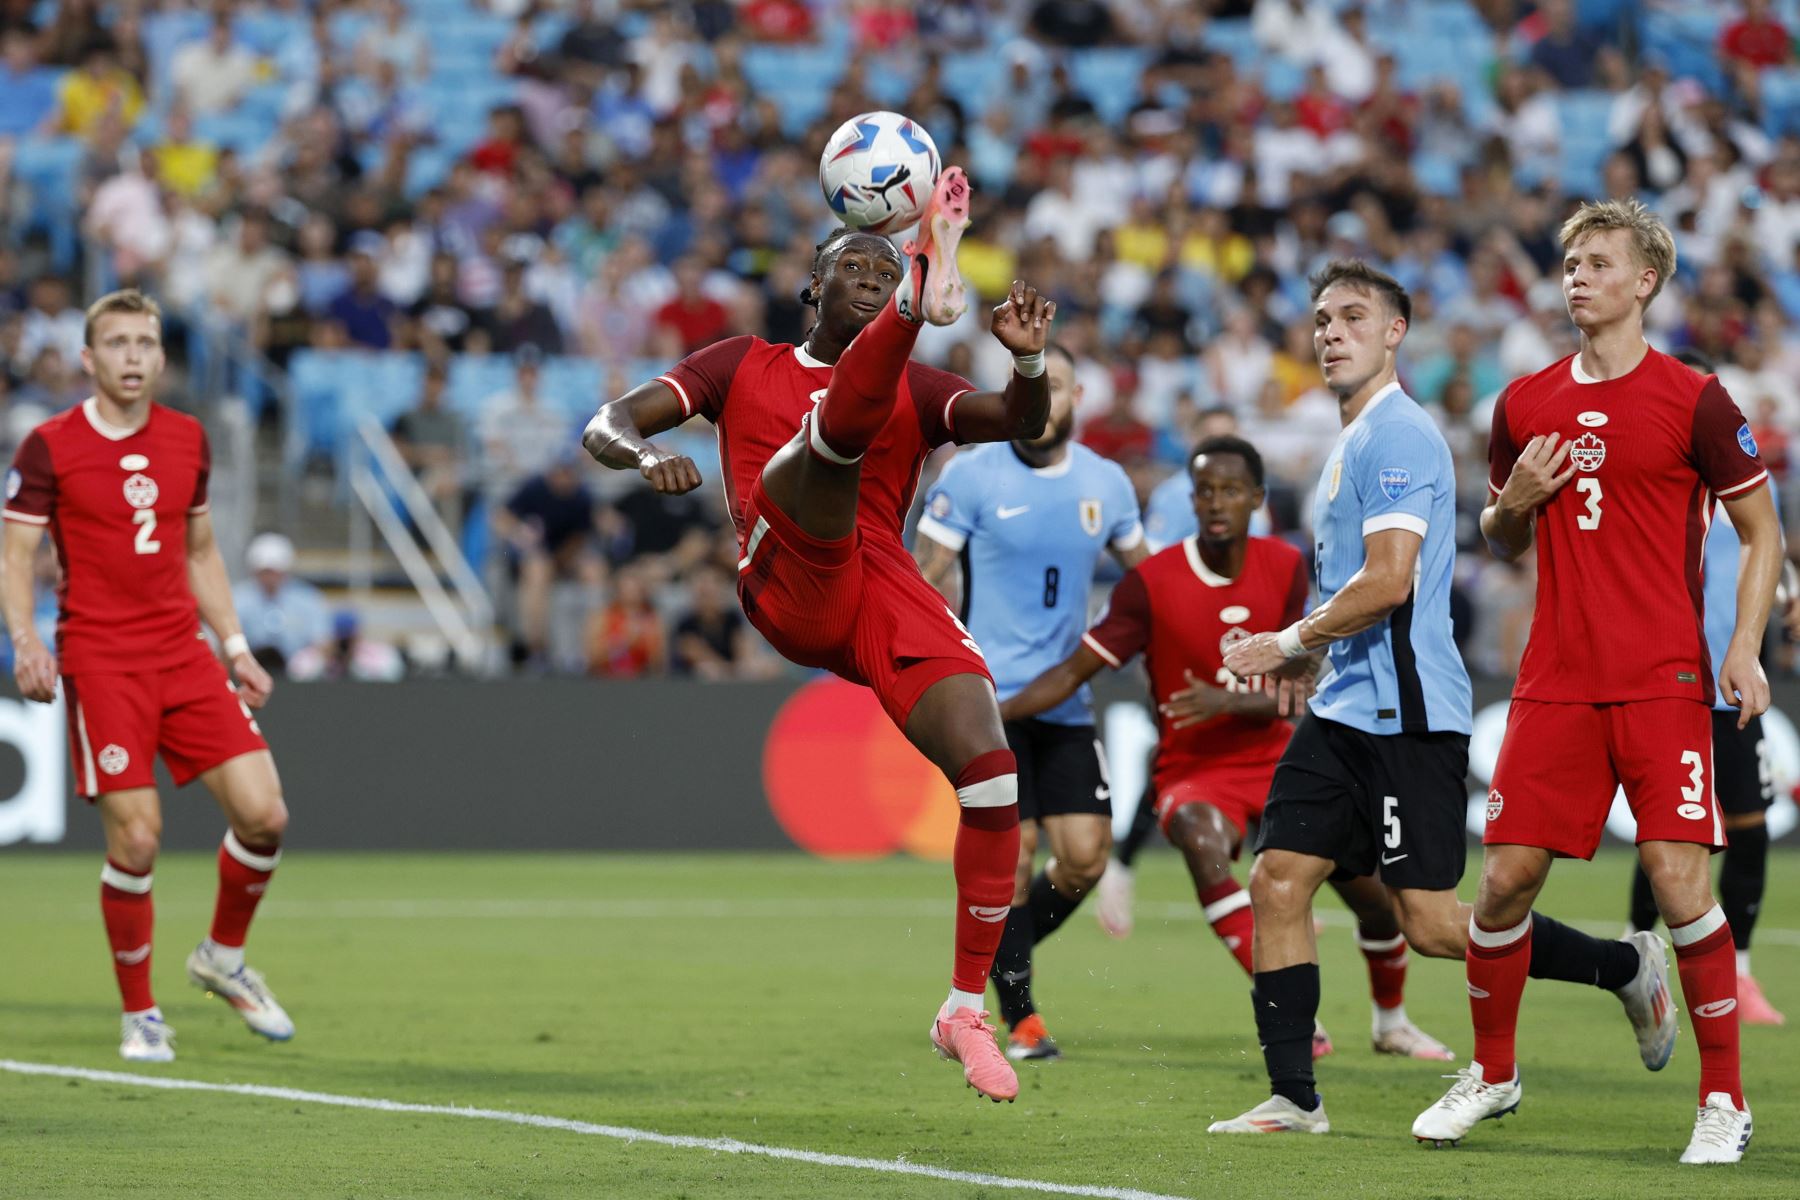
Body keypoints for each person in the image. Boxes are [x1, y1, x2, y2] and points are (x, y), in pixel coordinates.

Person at [584, 167, 1053, 1102]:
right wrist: (648, 455)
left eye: (891, 269)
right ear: (815, 284)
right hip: (787, 564)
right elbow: (605, 422)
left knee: (994, 776)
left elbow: (1021, 426)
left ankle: (963, 1007)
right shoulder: (738, 364)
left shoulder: (919, 389)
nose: (872, 275)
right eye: (860, 266)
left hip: (883, 584)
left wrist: (1030, 363)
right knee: (823, 443)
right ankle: (934, 287)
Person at [1205, 261, 1656, 1136]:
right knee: (1277, 880)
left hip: (1409, 714)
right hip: (1343, 709)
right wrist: (1307, 663)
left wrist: (1288, 641)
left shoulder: (1400, 435)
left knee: (1436, 926)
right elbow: (1355, 587)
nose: (1331, 331)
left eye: (1353, 317)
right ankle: (1295, 1098)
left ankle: (1622, 967)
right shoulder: (1350, 442)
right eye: (1323, 318)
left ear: (1395, 332)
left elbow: (1391, 582)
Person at [1414, 200, 1778, 1163]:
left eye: (1598, 262)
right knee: (1501, 887)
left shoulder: (1695, 397)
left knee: (1676, 878)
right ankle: (1493, 1075)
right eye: (1569, 261)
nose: (1576, 276)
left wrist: (1743, 649)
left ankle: (1724, 1102)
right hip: (1554, 682)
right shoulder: (1524, 401)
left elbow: (1763, 533)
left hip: (1662, 679)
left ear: (1645, 280)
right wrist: (1513, 509)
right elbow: (1498, 527)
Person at [1002, 435, 1454, 1064]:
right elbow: (1074, 671)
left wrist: (1231, 701)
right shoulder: (1151, 584)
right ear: (1192, 499)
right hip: (1192, 772)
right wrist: (991, 715)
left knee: (1375, 900)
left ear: (1257, 499)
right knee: (1197, 834)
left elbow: (1314, 681)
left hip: (1282, 762)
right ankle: (1289, 1009)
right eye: (1206, 491)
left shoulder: (1288, 567)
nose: (1217, 503)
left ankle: (1391, 1021)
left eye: (1231, 491)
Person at [0, 289, 293, 1063]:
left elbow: (200, 551)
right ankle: (140, 1013)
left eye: (145, 343)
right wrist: (27, 639)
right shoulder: (49, 446)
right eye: (117, 343)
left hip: (184, 654)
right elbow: (16, 554)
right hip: (101, 660)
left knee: (265, 816)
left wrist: (234, 645)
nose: (133, 356)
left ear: (162, 359)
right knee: (138, 840)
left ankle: (222, 959)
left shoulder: (186, 439)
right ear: (88, 358)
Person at [912, 341, 1147, 1061]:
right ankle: (1022, 1017)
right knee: (1013, 862)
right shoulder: (973, 473)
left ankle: (988, 960)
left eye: (1065, 388)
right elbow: (925, 577)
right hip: (988, 704)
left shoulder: (1106, 484)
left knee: (1083, 857)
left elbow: (1151, 584)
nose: (1050, 401)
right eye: (1040, 387)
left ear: (1079, 401)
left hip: (1066, 702)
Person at [1624, 351, 1787, 1028]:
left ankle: (1740, 972)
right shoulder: (1650, 479)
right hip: (1667, 680)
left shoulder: (1746, 476)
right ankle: (1640, 959)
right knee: (1668, 834)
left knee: (1748, 829)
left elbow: (1766, 550)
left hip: (1733, 683)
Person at [232, 531, 331, 674]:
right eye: (264, 572)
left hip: (298, 675)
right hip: (249, 668)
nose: (269, 577)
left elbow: (324, 642)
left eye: (274, 571)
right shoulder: (239, 598)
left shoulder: (308, 599)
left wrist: (309, 659)